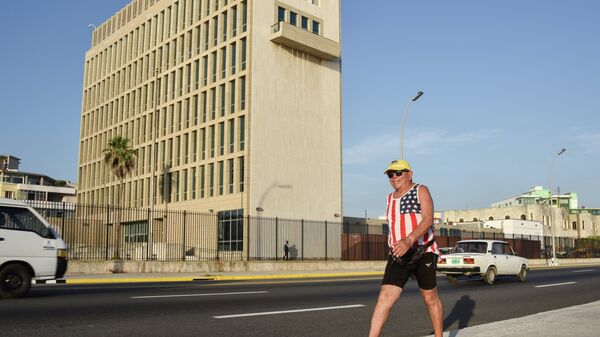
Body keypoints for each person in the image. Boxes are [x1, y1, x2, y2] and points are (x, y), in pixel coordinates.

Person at [368, 159, 443, 337]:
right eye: (390, 174)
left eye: (398, 172)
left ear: (410, 174)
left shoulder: (420, 190)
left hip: (423, 251)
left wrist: (409, 240)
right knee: (385, 297)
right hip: (399, 254)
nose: (394, 177)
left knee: (429, 298)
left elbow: (428, 219)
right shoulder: (389, 198)